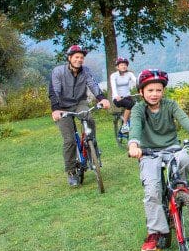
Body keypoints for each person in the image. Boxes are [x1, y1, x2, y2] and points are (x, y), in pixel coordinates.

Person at [127, 69, 189, 251]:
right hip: (148, 153)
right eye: (150, 90)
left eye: (158, 90)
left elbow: (185, 120)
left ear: (163, 91)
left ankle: (183, 190)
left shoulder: (170, 105)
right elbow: (135, 128)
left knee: (184, 158)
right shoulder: (138, 109)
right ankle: (156, 232)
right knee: (152, 190)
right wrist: (134, 145)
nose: (154, 94)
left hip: (172, 147)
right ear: (141, 92)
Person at [48, 44, 111, 187]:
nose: (79, 60)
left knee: (88, 117)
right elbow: (54, 91)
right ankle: (71, 172)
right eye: (76, 57)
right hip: (62, 106)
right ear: (70, 58)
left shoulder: (86, 71)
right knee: (69, 140)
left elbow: (93, 85)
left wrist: (102, 98)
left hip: (79, 103)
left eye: (81, 57)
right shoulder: (58, 71)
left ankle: (92, 145)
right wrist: (56, 109)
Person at [110, 57, 138, 133]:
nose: (124, 66)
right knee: (130, 104)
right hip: (118, 99)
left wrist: (142, 89)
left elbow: (136, 82)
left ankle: (133, 122)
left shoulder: (129, 74)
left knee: (138, 106)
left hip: (127, 96)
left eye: (125, 65)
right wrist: (116, 95)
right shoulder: (114, 75)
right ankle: (125, 125)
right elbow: (113, 87)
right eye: (121, 65)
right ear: (117, 67)